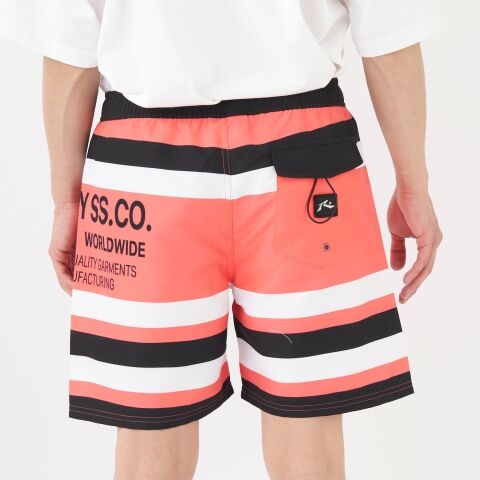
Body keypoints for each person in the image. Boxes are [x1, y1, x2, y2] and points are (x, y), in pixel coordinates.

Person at [0, 1, 443, 479]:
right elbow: (388, 34)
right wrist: (413, 185)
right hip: (309, 160)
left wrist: (66, 200)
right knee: (308, 432)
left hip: (143, 172)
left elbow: (70, 45)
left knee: (150, 436)